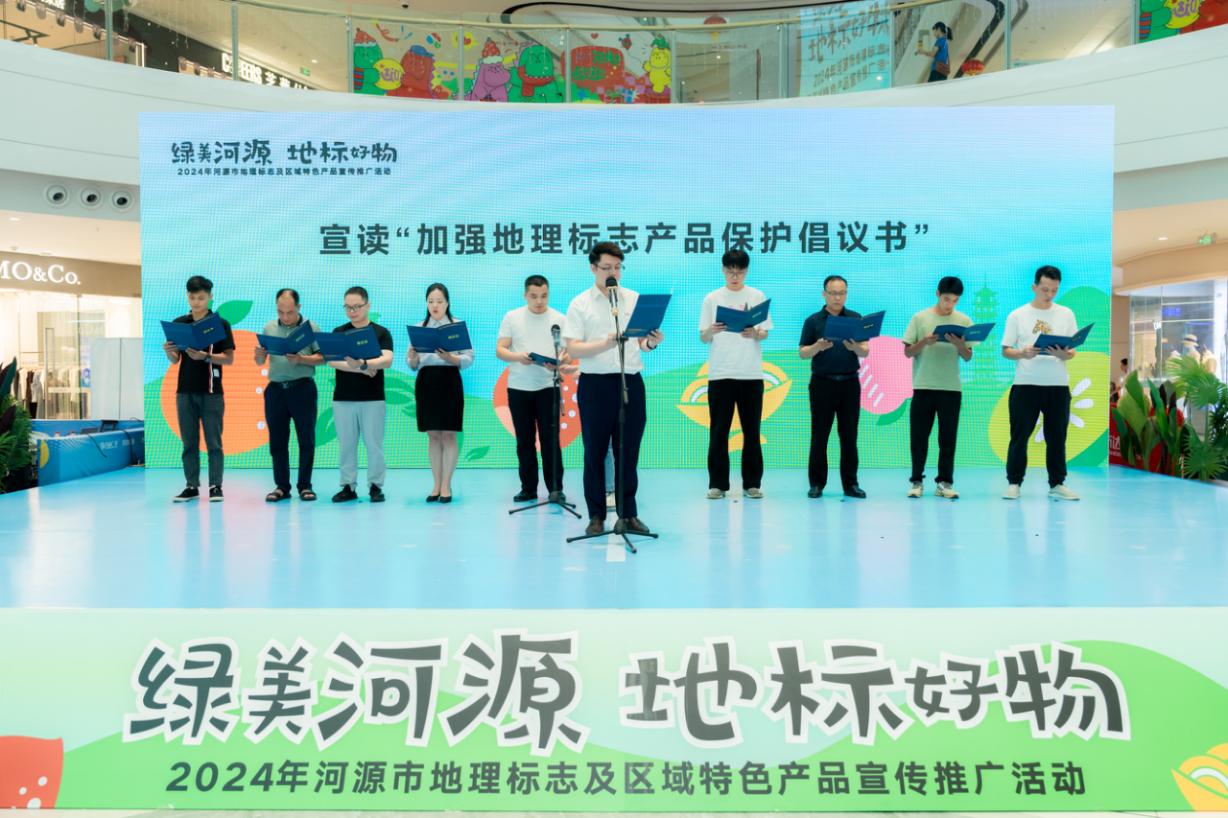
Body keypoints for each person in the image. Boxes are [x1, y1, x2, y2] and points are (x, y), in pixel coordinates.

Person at [564, 241, 665, 536]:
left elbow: (641, 343)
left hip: (629, 381)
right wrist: (605, 343)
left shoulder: (632, 299)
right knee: (594, 452)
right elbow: (574, 349)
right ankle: (596, 516)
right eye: (607, 267)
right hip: (595, 384)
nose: (613, 273)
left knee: (628, 453)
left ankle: (628, 514)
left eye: (618, 267)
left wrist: (651, 342)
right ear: (593, 268)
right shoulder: (580, 303)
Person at [1001, 265, 1079, 500]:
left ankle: (1057, 483)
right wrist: (1022, 353)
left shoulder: (1066, 314)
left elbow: (1072, 351)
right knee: (1019, 436)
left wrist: (1064, 354)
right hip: (1026, 385)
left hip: (1058, 386)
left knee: (1057, 437)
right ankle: (1014, 483)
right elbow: (1006, 350)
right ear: (1034, 287)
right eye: (1045, 289)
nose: (1049, 294)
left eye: (1054, 290)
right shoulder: (1017, 315)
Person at [698, 249, 771, 499]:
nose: (735, 276)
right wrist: (712, 330)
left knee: (752, 431)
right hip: (721, 374)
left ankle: (752, 483)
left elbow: (764, 332)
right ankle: (717, 484)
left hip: (751, 374)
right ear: (723, 270)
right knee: (719, 431)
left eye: (739, 272)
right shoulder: (712, 298)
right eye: (730, 271)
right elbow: (703, 336)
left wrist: (755, 333)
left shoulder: (757, 296)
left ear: (746, 271)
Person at [496, 274, 571, 503]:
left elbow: (568, 352)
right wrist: (519, 356)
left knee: (551, 441)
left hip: (548, 387)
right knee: (524, 441)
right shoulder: (512, 317)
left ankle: (555, 489)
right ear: (525, 295)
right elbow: (501, 350)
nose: (539, 301)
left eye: (544, 296)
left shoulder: (559, 319)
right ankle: (528, 488)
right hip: (519, 388)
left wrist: (560, 361)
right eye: (534, 296)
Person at [163, 275, 235, 503]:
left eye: (201, 298)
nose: (196, 302)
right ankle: (191, 486)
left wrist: (205, 356)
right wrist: (169, 351)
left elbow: (229, 358)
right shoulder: (179, 323)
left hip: (212, 392)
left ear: (210, 297)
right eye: (192, 297)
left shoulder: (220, 324)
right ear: (187, 296)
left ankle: (215, 486)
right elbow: (175, 359)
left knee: (214, 443)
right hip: (184, 391)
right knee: (189, 443)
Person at [798, 275, 869, 499]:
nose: (837, 297)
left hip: (849, 383)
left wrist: (855, 346)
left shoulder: (856, 319)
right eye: (833, 293)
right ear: (824, 294)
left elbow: (865, 351)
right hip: (822, 383)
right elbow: (802, 353)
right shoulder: (813, 321)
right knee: (820, 435)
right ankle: (816, 484)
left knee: (849, 436)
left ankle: (851, 484)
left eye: (842, 293)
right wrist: (817, 347)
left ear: (846, 294)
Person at [903, 276, 973, 499]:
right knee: (919, 437)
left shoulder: (963, 320)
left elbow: (968, 356)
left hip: (951, 388)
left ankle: (944, 482)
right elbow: (907, 352)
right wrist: (924, 342)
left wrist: (959, 344)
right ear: (937, 294)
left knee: (948, 438)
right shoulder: (920, 318)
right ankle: (916, 481)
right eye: (946, 299)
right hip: (923, 386)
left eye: (955, 300)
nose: (949, 304)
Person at [254, 288, 323, 502]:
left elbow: (323, 358)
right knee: (277, 441)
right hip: (275, 390)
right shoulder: (269, 328)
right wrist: (259, 355)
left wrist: (301, 359)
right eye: (280, 312)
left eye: (290, 312)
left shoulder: (310, 328)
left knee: (306, 440)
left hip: (302, 388)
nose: (285, 317)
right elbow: (260, 362)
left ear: (299, 307)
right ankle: (282, 486)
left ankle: (305, 486)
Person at [407, 283, 473, 503]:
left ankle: (446, 485)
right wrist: (412, 357)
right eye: (431, 301)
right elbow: (412, 365)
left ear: (447, 303)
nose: (435, 306)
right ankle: (436, 484)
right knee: (433, 436)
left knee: (449, 434)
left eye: (439, 301)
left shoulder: (457, 326)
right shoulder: (419, 328)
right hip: (426, 382)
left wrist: (451, 358)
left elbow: (469, 358)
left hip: (449, 380)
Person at [329, 286, 394, 503]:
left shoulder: (380, 332)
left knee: (374, 444)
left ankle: (376, 486)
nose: (352, 311)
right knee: (346, 444)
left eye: (356, 307)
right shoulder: (339, 332)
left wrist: (364, 363)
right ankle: (348, 486)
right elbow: (333, 361)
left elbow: (387, 360)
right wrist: (363, 368)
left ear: (368, 306)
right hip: (343, 398)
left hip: (373, 398)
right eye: (348, 307)